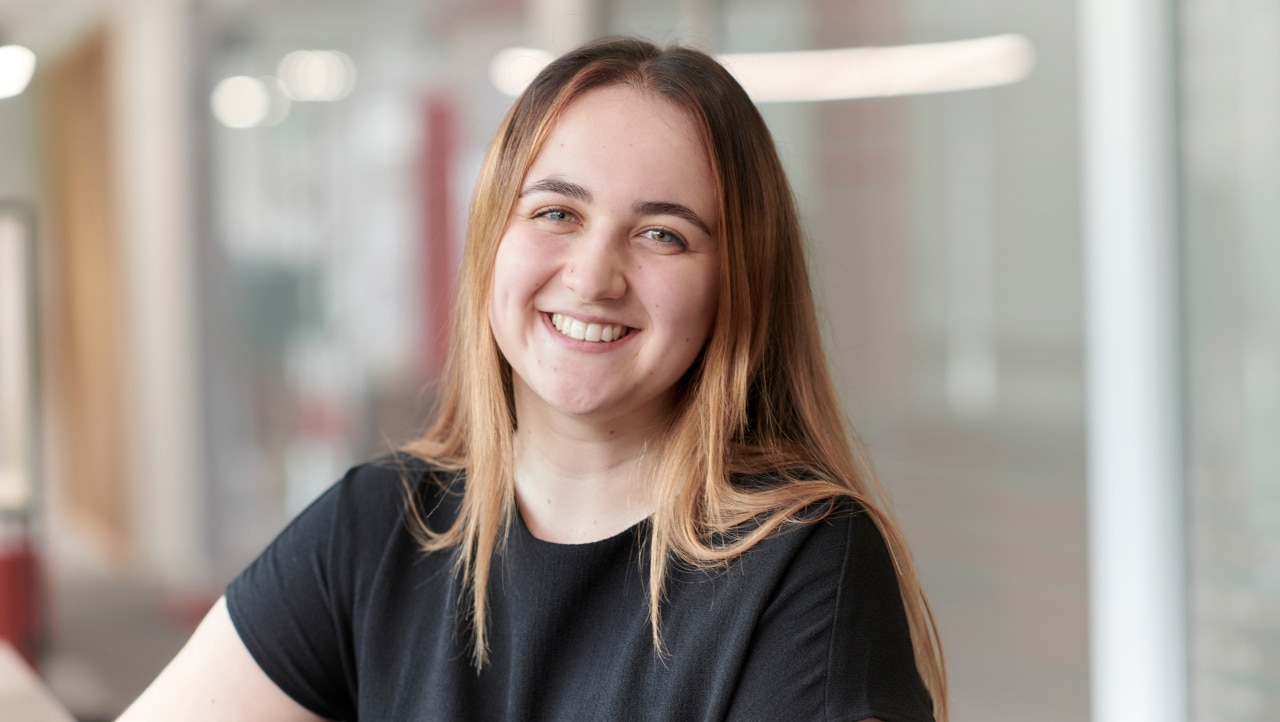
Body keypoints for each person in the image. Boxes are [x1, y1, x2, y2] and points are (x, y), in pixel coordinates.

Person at [119, 36, 947, 721]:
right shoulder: (374, 531)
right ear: (491, 241)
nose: (593, 276)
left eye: (662, 234)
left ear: (737, 286)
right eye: (556, 212)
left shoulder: (806, 564)